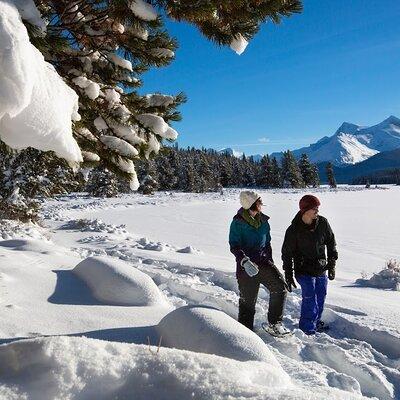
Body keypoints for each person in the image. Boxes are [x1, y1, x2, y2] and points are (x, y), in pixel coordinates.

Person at [229, 191, 290, 337]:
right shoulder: (237, 222)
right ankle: (245, 334)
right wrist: (244, 261)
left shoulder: (264, 221)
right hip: (247, 268)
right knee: (248, 303)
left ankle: (275, 324)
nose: (261, 204)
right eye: (259, 201)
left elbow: (267, 243)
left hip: (263, 263)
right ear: (251, 204)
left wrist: (271, 262)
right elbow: (234, 245)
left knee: (280, 288)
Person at [281, 194, 338, 335]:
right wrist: (288, 274)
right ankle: (307, 329)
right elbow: (287, 254)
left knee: (321, 296)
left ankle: (316, 322)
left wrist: (331, 264)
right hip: (303, 270)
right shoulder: (293, 230)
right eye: (314, 209)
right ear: (305, 210)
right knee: (310, 298)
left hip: (320, 268)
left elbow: (331, 243)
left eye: (317, 208)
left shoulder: (323, 223)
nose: (317, 212)